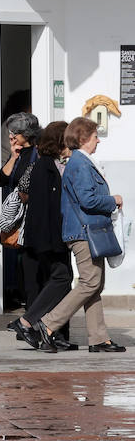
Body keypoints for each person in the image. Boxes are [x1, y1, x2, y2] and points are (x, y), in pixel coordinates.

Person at [32, 117, 126, 353]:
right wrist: (112, 200)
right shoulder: (81, 164)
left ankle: (98, 338)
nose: (98, 142)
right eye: (95, 137)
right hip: (83, 232)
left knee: (95, 284)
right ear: (84, 139)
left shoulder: (81, 162)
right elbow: (88, 199)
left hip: (87, 230)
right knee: (90, 282)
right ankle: (48, 323)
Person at [8, 121, 77, 350]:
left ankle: (52, 332)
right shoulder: (45, 165)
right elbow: (47, 205)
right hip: (49, 235)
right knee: (61, 278)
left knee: (61, 280)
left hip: (49, 234)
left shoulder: (50, 163)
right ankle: (27, 321)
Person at [0, 113, 41, 309]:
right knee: (22, 263)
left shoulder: (39, 153)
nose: (11, 137)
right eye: (10, 132)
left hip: (34, 218)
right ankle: (26, 306)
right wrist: (13, 156)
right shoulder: (18, 154)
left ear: (28, 134)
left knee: (33, 266)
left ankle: (33, 310)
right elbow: (2, 180)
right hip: (18, 219)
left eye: (16, 133)